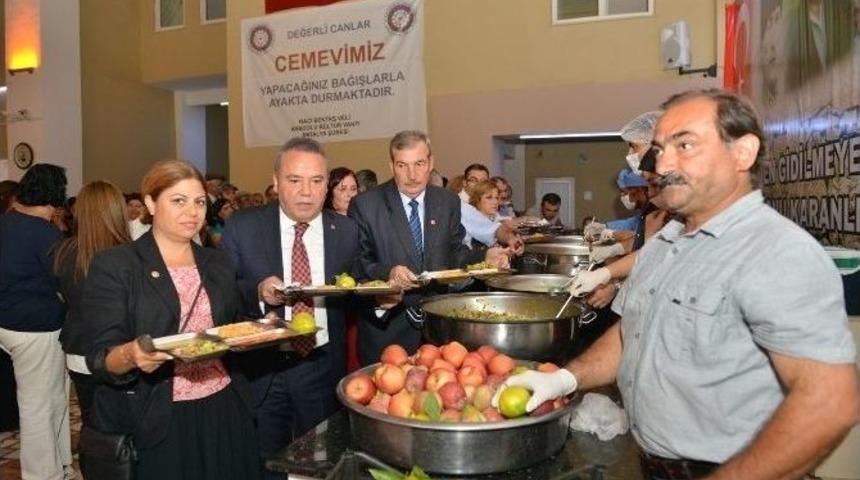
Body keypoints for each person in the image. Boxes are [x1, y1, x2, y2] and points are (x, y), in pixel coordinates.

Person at [497, 89, 860, 479]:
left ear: (743, 153)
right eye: (659, 148)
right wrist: (566, 378)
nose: (663, 162)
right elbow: (631, 334)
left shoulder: (775, 251)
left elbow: (830, 403)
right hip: (655, 464)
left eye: (684, 144)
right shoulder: (667, 243)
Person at [82, 160, 261, 479]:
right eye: (178, 201)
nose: (192, 212)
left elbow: (233, 325)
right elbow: (99, 357)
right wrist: (132, 355)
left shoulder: (217, 262)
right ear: (150, 203)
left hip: (225, 405)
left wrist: (261, 331)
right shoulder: (118, 265)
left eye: (200, 202)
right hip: (160, 414)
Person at [222, 138, 364, 471]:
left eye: (316, 181)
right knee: (264, 463)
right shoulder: (243, 227)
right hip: (262, 369)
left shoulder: (345, 231)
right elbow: (224, 294)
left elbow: (359, 287)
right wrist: (258, 293)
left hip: (322, 366)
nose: (306, 192)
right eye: (294, 180)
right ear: (275, 182)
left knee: (319, 463)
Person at [348, 130, 513, 364]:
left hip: (437, 335)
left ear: (431, 163)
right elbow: (358, 263)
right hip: (387, 335)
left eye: (419, 164)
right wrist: (388, 273)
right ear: (391, 165)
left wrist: (485, 255)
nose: (412, 175)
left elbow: (455, 254)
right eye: (402, 165)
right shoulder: (366, 205)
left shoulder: (447, 202)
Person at [0, 163, 72, 480]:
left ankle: (59, 463)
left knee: (53, 396)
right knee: (40, 403)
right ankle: (43, 474)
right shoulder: (45, 233)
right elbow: (63, 283)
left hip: (7, 322)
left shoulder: (6, 222)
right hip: (35, 326)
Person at [54, 181, 132, 428]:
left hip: (78, 350)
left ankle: (94, 466)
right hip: (120, 352)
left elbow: (61, 296)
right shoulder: (129, 256)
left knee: (93, 426)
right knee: (126, 427)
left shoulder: (63, 251)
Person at [464, 180, 501, 248]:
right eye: (489, 197)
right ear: (477, 200)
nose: (495, 202)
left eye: (497, 198)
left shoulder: (496, 217)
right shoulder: (471, 222)